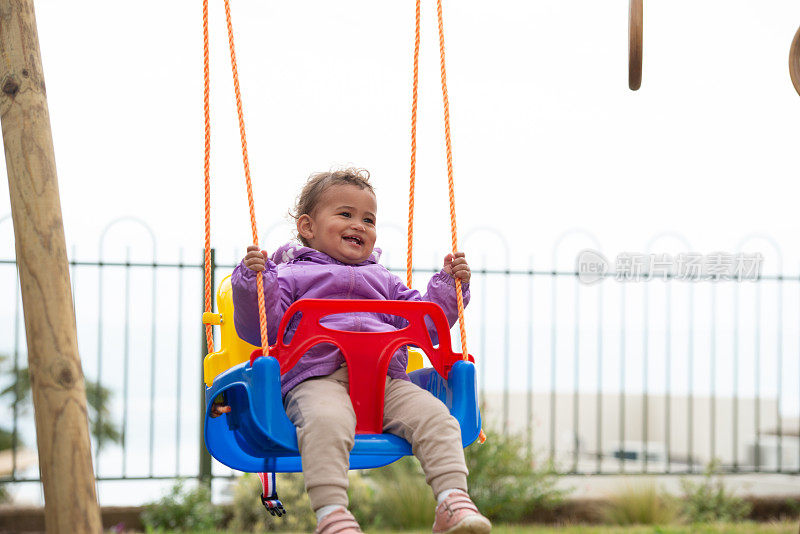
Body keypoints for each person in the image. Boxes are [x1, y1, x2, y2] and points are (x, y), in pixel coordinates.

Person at [215, 168, 491, 534]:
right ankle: (332, 515)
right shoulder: (287, 276)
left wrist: (449, 287)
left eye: (368, 219)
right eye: (345, 214)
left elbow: (427, 323)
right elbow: (258, 326)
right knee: (328, 421)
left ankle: (452, 502)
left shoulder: (385, 280)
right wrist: (254, 282)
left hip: (385, 382)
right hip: (315, 379)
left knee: (438, 418)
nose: (359, 225)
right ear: (308, 227)